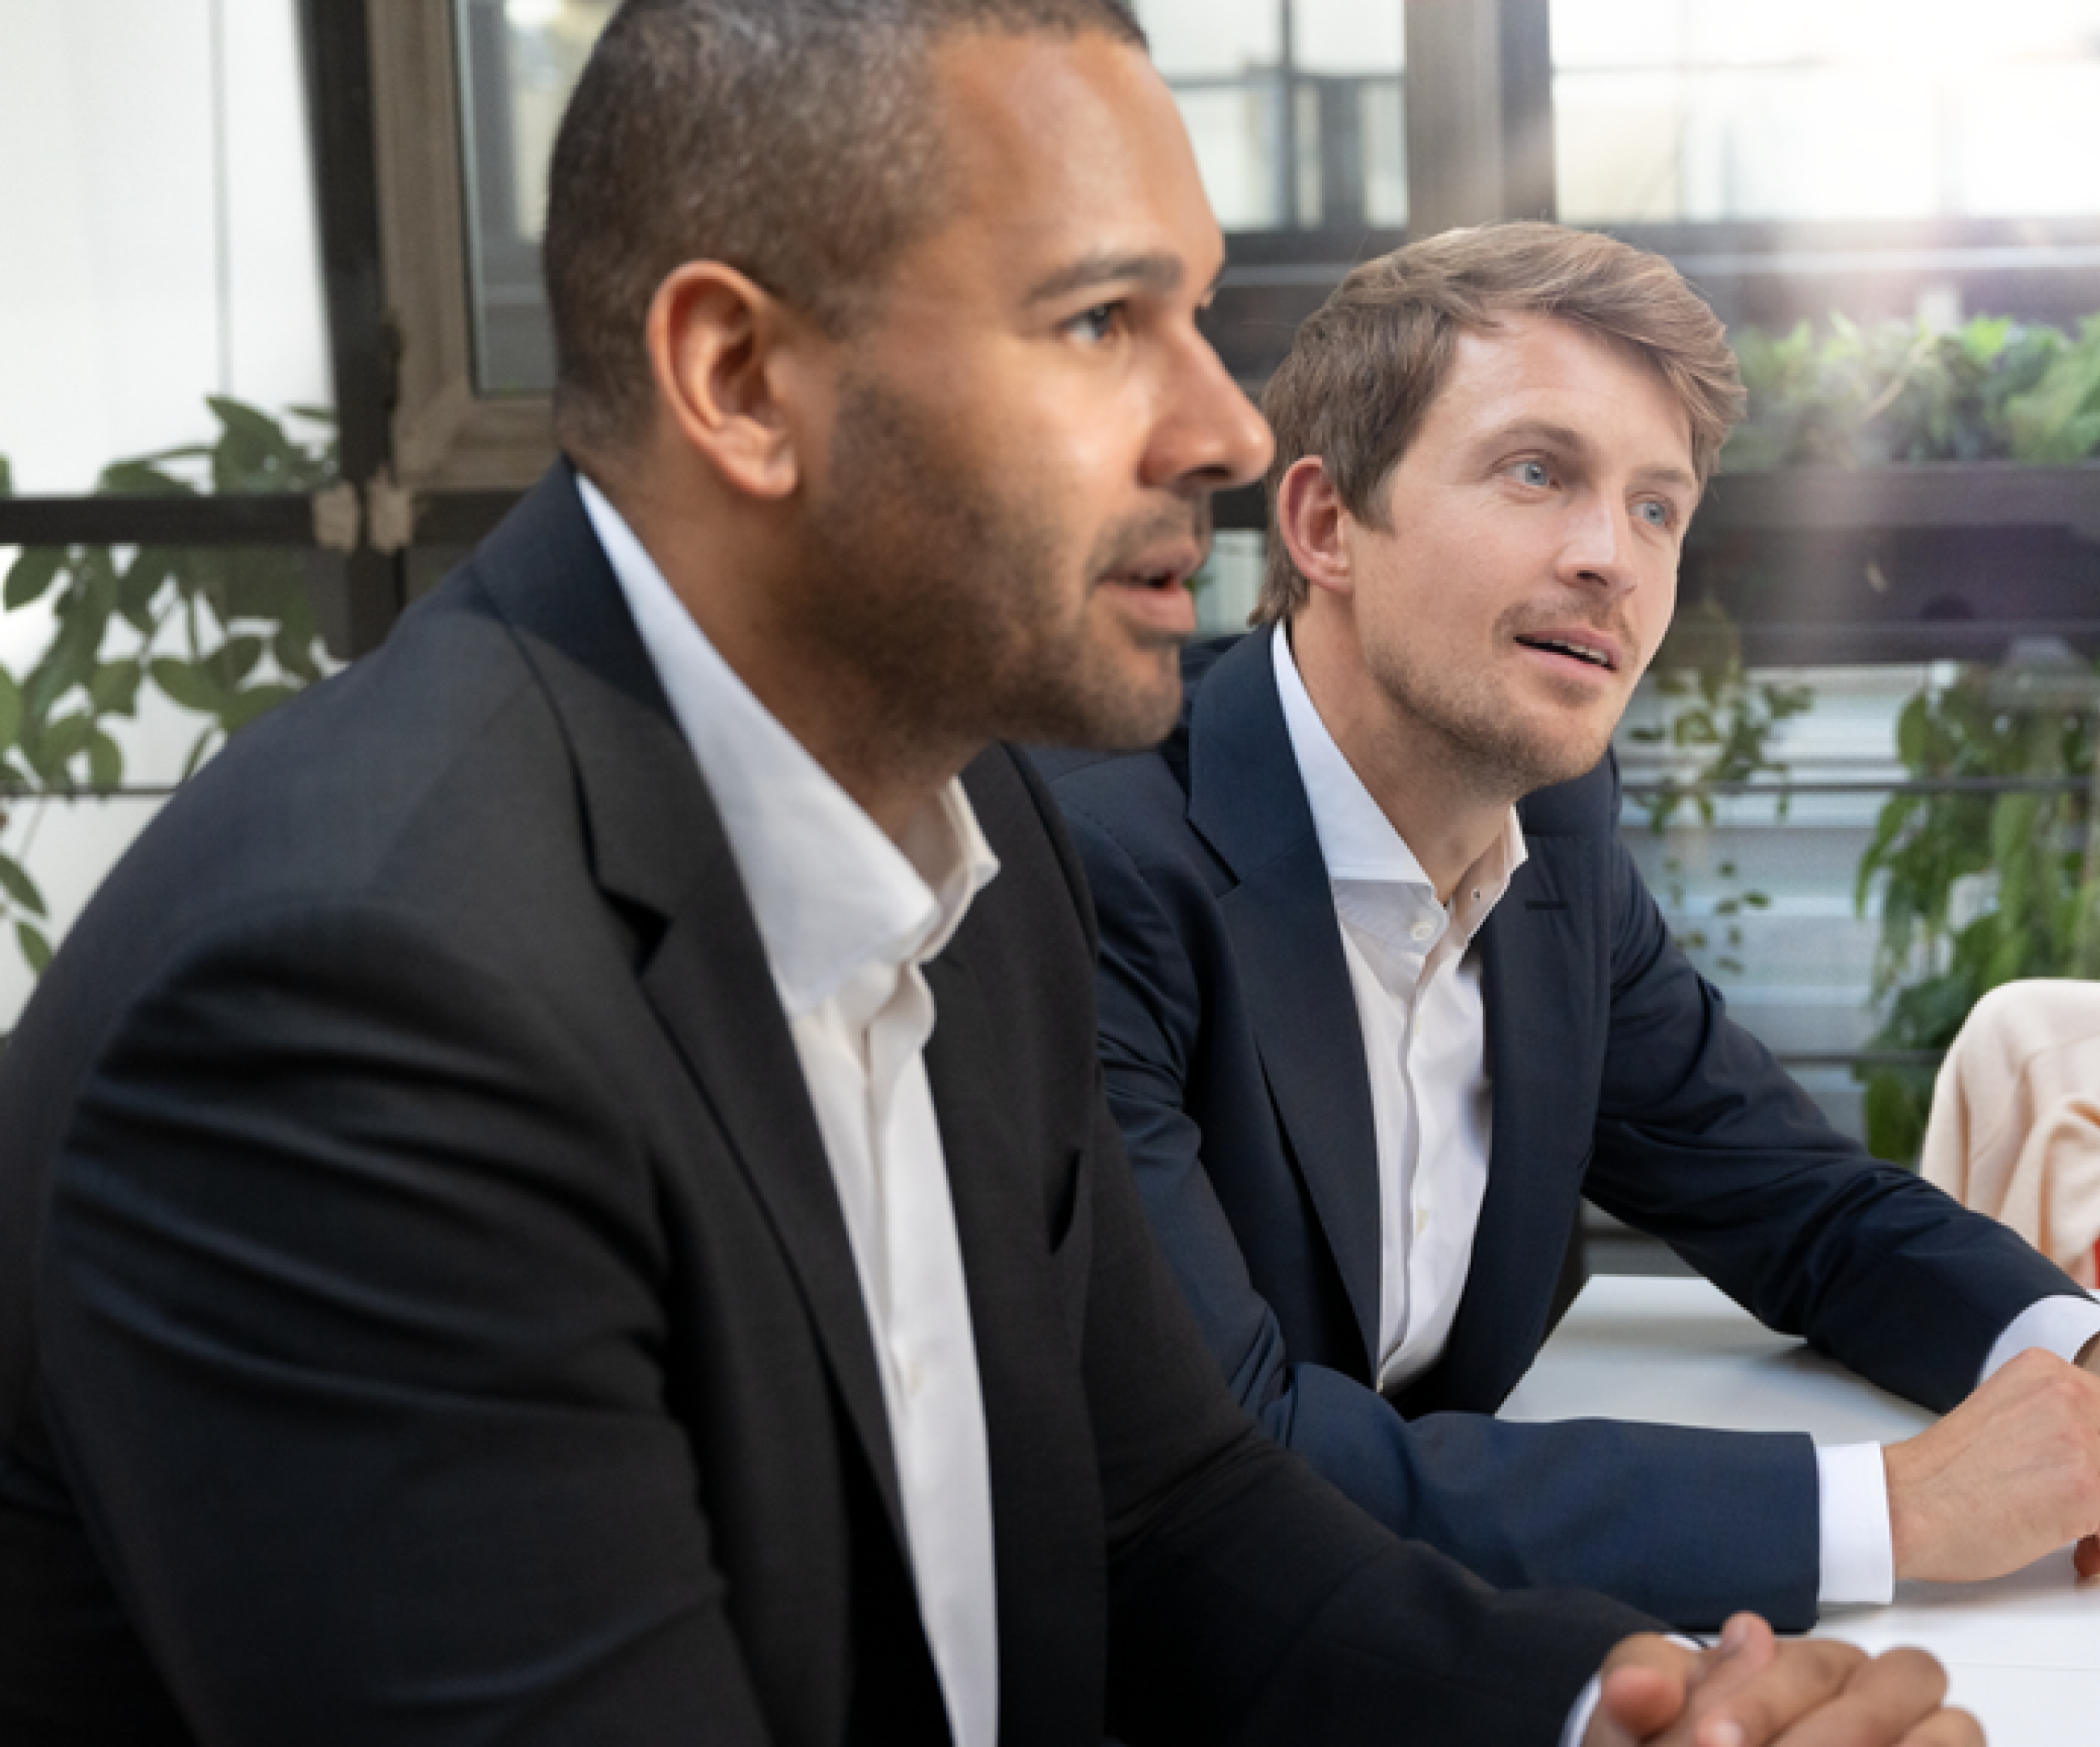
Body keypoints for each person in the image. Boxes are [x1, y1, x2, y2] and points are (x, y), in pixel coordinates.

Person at [0, 6, 1974, 1743]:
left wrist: (1594, 1719)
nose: (1220, 423)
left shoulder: (980, 823)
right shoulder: (350, 997)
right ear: (743, 380)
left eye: (1196, 317)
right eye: (1103, 320)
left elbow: (1169, 1508)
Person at [1032, 222, 2100, 1634]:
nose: (1609, 561)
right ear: (1323, 527)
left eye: (1656, 509)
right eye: (1536, 472)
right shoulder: (1099, 867)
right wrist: (1891, 1509)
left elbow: (1798, 1203)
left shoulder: (1545, 834)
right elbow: (1224, 1458)